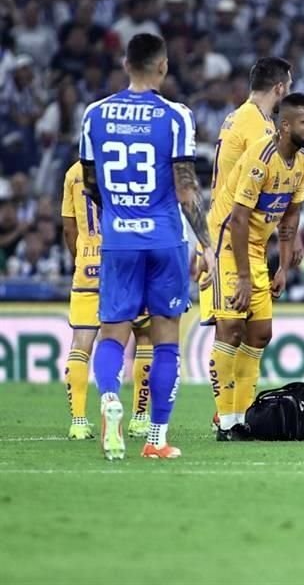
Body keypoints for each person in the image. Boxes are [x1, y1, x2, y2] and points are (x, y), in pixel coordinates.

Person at [79, 33, 216, 460]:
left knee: (112, 335)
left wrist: (121, 215)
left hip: (119, 240)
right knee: (165, 341)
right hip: (164, 241)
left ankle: (109, 399)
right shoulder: (176, 117)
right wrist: (206, 243)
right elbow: (185, 189)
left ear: (125, 64)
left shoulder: (94, 115)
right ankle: (156, 439)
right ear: (163, 67)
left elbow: (89, 183)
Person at [205, 93, 304, 440]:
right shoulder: (260, 158)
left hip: (254, 250)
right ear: (285, 126)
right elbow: (238, 220)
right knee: (232, 329)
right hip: (227, 245)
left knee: (261, 334)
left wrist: (283, 266)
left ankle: (241, 418)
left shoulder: (302, 164)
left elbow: (291, 214)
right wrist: (241, 277)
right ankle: (225, 422)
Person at [199, 57, 294, 429]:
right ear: (281, 88)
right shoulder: (257, 126)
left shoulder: (239, 116)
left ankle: (235, 411)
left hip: (244, 237)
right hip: (229, 235)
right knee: (231, 327)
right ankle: (226, 415)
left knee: (256, 331)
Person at [61, 160, 153, 441]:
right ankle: (139, 418)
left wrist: (82, 258)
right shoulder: (125, 164)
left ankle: (78, 421)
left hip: (88, 264)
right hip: (127, 258)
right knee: (145, 336)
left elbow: (69, 229)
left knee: (81, 342)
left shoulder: (73, 173)